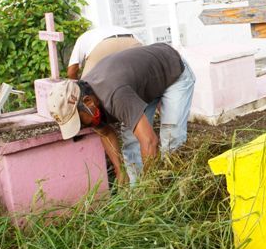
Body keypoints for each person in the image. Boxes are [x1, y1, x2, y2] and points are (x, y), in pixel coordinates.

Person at [48, 43, 196, 183]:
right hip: (141, 84)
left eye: (80, 121)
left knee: (171, 138)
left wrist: (150, 188)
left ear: (88, 102)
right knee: (132, 140)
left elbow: (150, 141)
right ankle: (135, 190)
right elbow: (105, 133)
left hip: (171, 70)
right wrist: (120, 171)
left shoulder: (115, 95)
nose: (82, 126)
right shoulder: (84, 97)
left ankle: (174, 187)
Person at [67, 25, 141, 80]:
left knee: (87, 86)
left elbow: (72, 71)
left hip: (103, 45)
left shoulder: (83, 38)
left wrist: (78, 86)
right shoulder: (119, 28)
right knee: (138, 76)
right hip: (132, 41)